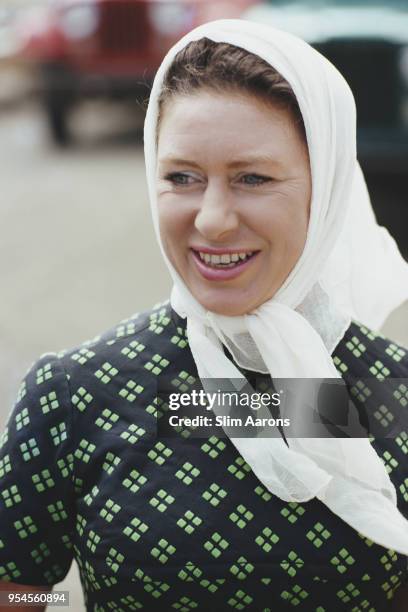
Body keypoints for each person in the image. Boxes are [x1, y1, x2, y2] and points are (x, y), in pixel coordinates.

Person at [1, 18, 408, 612]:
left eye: (252, 178)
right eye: (183, 178)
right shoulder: (74, 394)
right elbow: (19, 592)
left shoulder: (392, 394)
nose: (213, 218)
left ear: (326, 192)